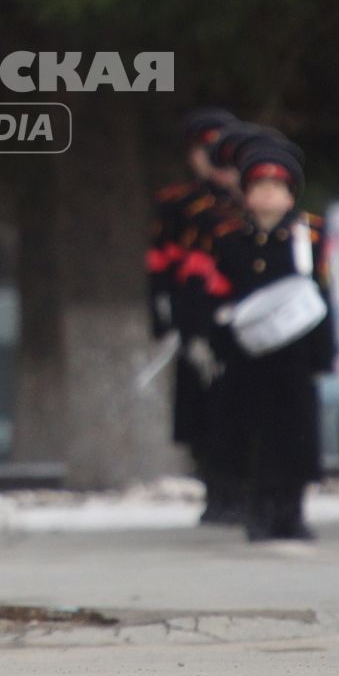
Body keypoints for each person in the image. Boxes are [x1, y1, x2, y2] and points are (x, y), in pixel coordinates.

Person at [199, 132, 337, 542]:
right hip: (248, 355)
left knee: (295, 434)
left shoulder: (307, 236)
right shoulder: (229, 238)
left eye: (277, 187)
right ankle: (259, 511)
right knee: (253, 433)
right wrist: (217, 340)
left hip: (294, 354)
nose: (269, 195)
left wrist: (322, 355)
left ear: (291, 195)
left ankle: (291, 510)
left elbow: (322, 294)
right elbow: (217, 293)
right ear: (246, 194)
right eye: (260, 187)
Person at [146, 108, 239, 526]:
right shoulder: (176, 205)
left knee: (241, 408)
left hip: (240, 321)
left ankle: (243, 488)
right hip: (194, 320)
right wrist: (166, 322)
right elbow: (161, 266)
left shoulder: (248, 200)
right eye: (205, 152)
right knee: (200, 411)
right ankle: (214, 488)